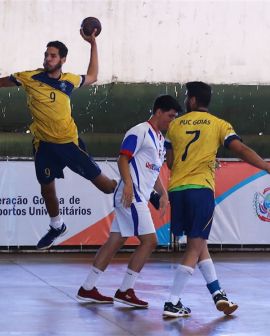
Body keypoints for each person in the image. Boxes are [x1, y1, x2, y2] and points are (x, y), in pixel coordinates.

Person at [0, 29, 116, 250]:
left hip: (68, 144)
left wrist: (93, 44)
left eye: (52, 55)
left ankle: (138, 188)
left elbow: (92, 77)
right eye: (46, 54)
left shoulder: (69, 80)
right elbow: (2, 82)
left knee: (107, 188)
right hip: (43, 144)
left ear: (62, 59)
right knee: (46, 189)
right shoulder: (30, 78)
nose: (47, 58)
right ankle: (57, 225)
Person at [163, 81, 270, 318]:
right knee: (195, 245)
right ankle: (172, 301)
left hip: (178, 189)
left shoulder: (174, 126)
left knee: (198, 243)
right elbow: (240, 149)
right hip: (200, 189)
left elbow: (170, 163)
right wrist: (265, 166)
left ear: (192, 100)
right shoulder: (219, 124)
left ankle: (218, 293)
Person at [77, 95, 181, 307]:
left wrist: (163, 193)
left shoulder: (161, 139)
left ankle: (87, 288)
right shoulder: (139, 131)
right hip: (130, 195)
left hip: (138, 194)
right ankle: (125, 291)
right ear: (158, 112)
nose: (172, 122)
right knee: (150, 241)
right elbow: (123, 158)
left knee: (116, 240)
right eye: (170, 116)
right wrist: (127, 184)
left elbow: (154, 171)